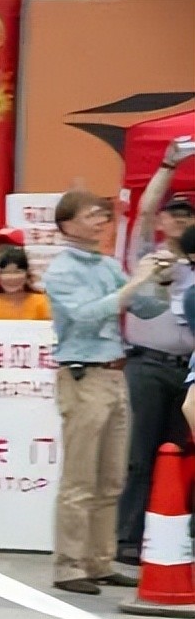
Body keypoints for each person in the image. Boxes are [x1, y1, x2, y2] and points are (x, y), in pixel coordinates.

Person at [43, 189, 172, 595]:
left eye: (102, 215)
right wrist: (136, 281)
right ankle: (69, 566)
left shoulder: (107, 264)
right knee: (81, 478)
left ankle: (99, 560)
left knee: (112, 476)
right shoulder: (61, 270)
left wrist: (160, 278)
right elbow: (85, 315)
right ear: (67, 224)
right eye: (91, 215)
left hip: (116, 374)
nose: (101, 221)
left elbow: (148, 308)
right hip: (83, 376)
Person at [116, 137, 195, 566]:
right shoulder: (148, 253)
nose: (178, 220)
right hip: (147, 365)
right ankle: (127, 538)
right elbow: (144, 210)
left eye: (187, 215)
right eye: (173, 213)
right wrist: (168, 165)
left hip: (188, 372)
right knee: (140, 455)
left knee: (178, 455)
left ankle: (169, 537)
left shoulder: (194, 262)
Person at [0, 247, 52, 320]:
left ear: (27, 274)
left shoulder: (42, 302)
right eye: (5, 272)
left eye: (17, 272)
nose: (11, 277)